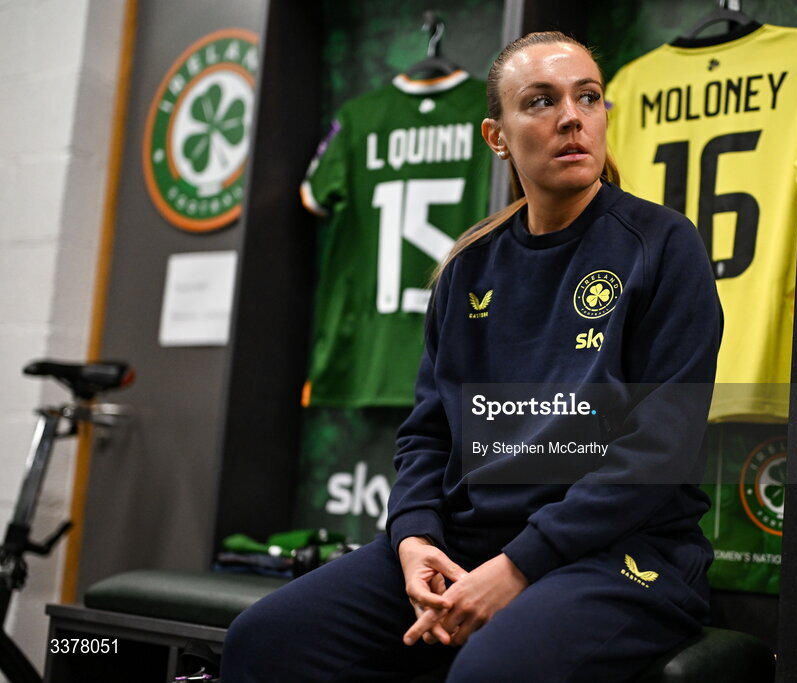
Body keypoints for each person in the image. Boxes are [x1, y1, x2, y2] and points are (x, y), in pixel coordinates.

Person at [221, 31, 721, 682]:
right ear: (497, 136)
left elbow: (657, 453)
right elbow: (427, 434)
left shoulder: (662, 246)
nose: (572, 117)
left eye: (589, 97)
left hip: (621, 552)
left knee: (488, 673)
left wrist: (518, 565)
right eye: (541, 101)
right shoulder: (468, 267)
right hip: (467, 541)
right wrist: (415, 539)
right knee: (264, 639)